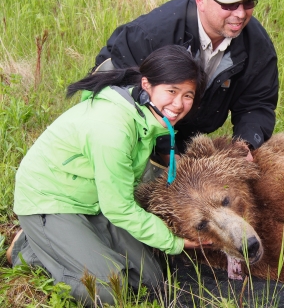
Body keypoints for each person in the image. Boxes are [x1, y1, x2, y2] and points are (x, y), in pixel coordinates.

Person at [7, 45, 209, 306]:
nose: (179, 104)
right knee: (106, 290)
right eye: (171, 91)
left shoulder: (147, 118)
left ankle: (66, 243)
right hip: (50, 200)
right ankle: (30, 248)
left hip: (94, 200)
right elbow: (119, 208)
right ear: (147, 85)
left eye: (188, 95)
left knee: (151, 280)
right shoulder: (113, 128)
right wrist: (173, 242)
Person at [93, 0, 278, 166]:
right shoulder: (150, 35)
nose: (240, 13)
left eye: (248, 2)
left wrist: (244, 145)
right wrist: (165, 152)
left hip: (186, 129)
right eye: (229, 4)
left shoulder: (257, 45)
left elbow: (257, 103)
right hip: (134, 126)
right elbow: (125, 95)